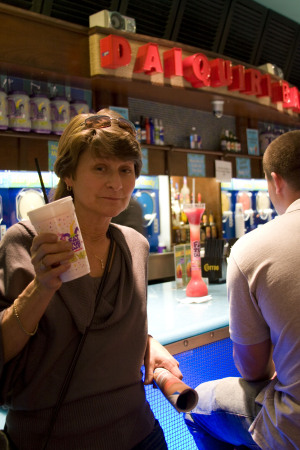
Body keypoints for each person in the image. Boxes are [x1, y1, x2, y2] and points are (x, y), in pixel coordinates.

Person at [0, 108, 182, 449]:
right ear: (68, 174)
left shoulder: (134, 245)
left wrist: (146, 340)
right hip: (52, 438)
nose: (116, 183)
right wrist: (41, 288)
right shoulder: (23, 242)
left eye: (125, 170)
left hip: (140, 434)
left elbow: (112, 328)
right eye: (101, 168)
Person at [184, 130, 300, 449]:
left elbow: (253, 370)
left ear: (275, 182)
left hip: (295, 425)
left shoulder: (252, 249)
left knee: (194, 404)